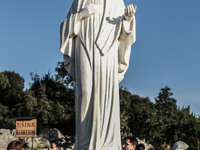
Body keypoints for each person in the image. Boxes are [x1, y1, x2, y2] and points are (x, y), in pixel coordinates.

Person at [60, 0, 136, 149]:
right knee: (85, 92)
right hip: (83, 46)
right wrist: (81, 15)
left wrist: (127, 20)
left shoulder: (117, 2)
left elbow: (124, 35)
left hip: (107, 52)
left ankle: (106, 142)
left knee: (105, 93)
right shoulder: (80, 1)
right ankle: (84, 142)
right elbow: (65, 26)